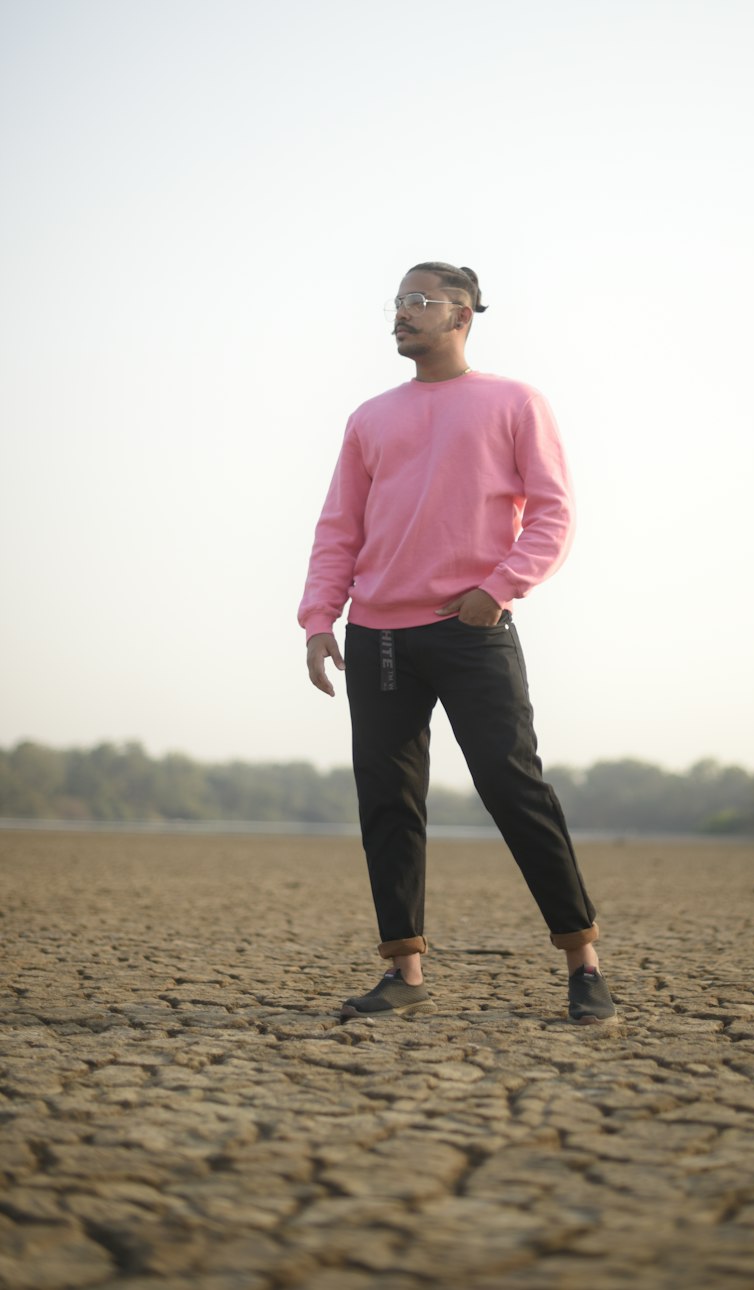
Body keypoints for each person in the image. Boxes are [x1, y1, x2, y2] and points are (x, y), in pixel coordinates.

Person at [298, 261, 615, 1025]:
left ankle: (583, 963)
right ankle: (403, 971)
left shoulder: (513, 402)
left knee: (513, 788)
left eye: (419, 301)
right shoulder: (370, 417)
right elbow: (340, 527)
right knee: (389, 802)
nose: (401, 315)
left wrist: (499, 588)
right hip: (376, 633)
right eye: (397, 302)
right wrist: (318, 620)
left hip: (473, 629)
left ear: (462, 314)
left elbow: (553, 514)